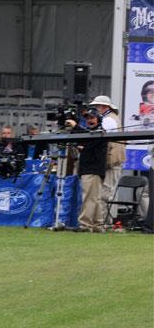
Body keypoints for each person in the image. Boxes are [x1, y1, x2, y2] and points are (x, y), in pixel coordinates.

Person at [70, 108, 108, 232]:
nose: (89, 120)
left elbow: (88, 141)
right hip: (91, 169)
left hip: (92, 170)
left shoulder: (100, 132)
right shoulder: (91, 132)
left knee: (89, 198)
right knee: (94, 198)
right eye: (87, 118)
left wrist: (76, 126)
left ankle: (85, 225)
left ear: (99, 119)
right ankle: (98, 225)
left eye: (92, 118)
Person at [87, 95, 124, 224]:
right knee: (103, 193)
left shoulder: (108, 120)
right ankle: (102, 221)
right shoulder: (111, 118)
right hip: (110, 161)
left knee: (103, 193)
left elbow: (102, 141)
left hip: (111, 162)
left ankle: (100, 222)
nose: (95, 109)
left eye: (97, 106)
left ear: (104, 107)